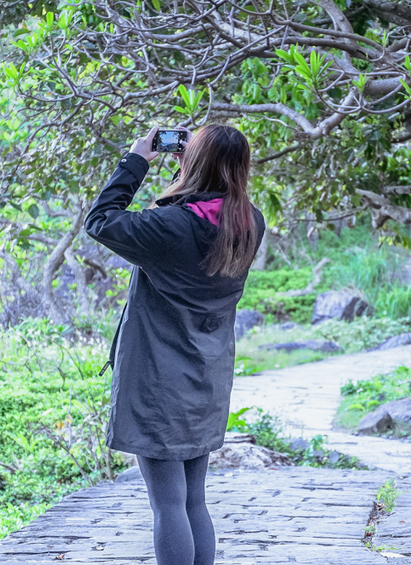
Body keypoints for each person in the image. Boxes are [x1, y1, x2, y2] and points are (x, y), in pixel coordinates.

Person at [84, 123, 266, 565]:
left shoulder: (170, 227)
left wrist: (137, 160)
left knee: (167, 504)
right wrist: (196, 168)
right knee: (193, 501)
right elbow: (208, 207)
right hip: (207, 374)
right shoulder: (249, 221)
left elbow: (100, 221)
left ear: (194, 162)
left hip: (159, 381)